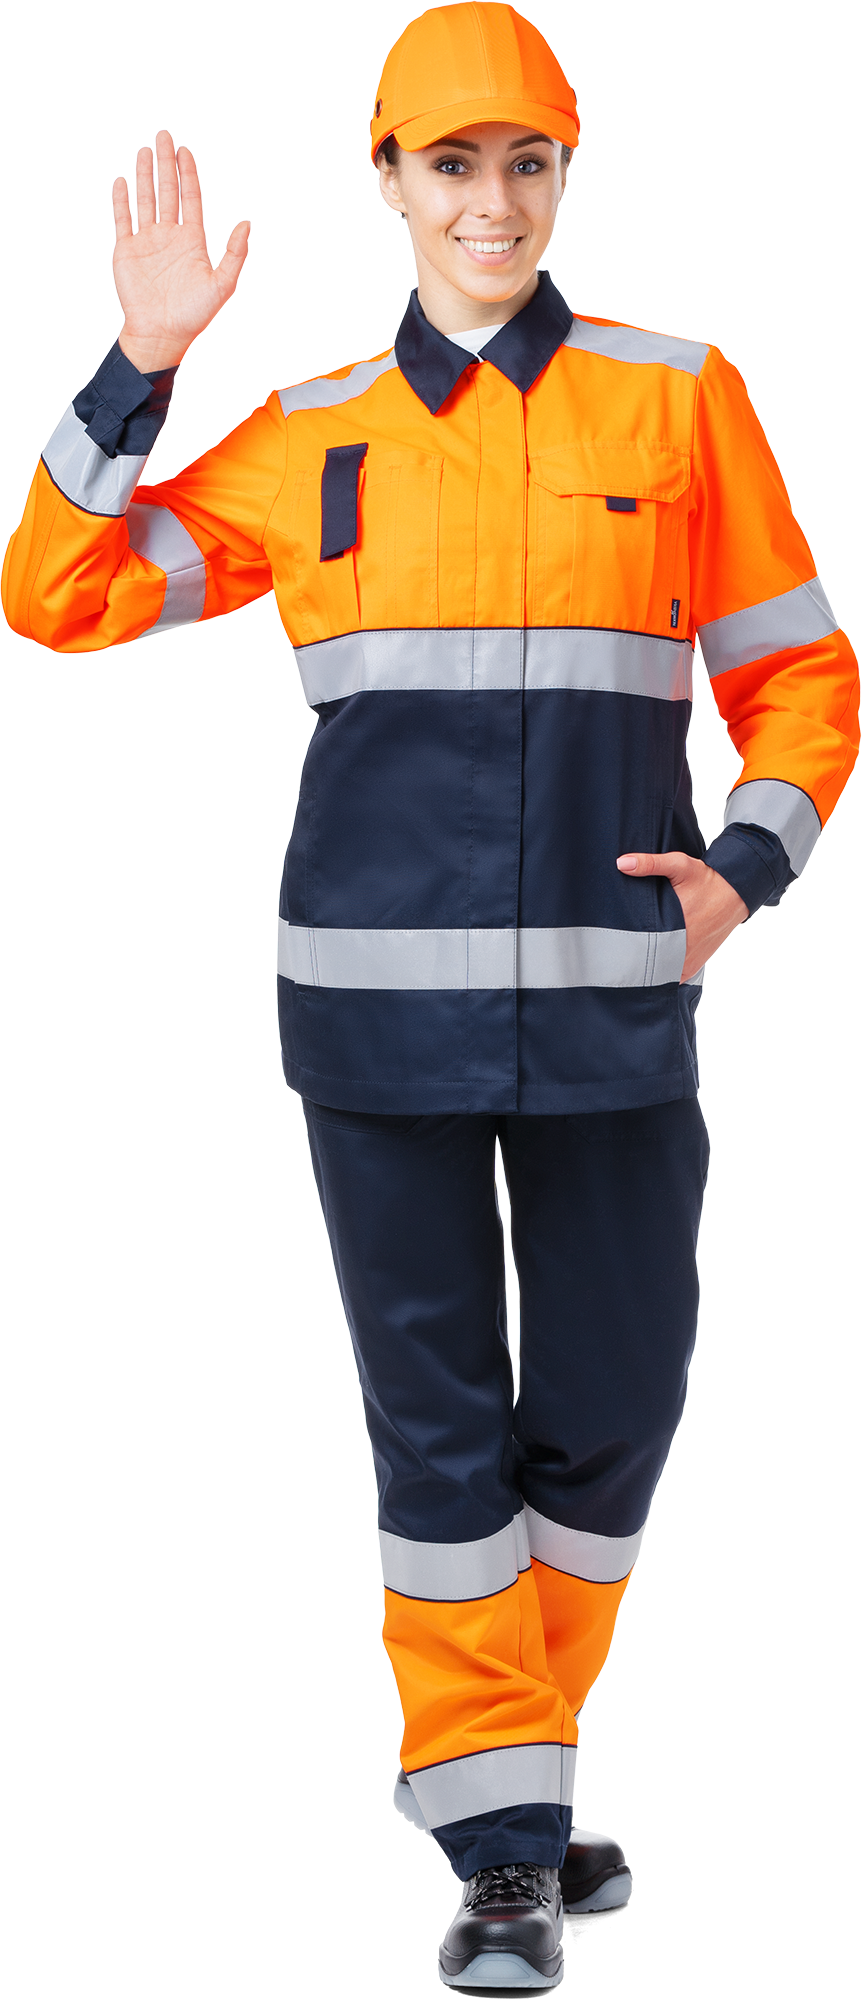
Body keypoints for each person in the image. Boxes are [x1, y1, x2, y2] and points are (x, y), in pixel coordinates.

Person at [3, 4, 858, 1987]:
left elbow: (804, 678)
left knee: (619, 1402)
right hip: (373, 1020)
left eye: (526, 161)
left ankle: (502, 1769)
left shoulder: (681, 399)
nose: (492, 200)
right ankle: (506, 1853)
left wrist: (745, 871)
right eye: (452, 163)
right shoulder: (312, 436)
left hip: (616, 1002)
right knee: (436, 1429)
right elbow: (55, 594)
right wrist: (140, 363)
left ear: (564, 178)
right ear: (386, 181)